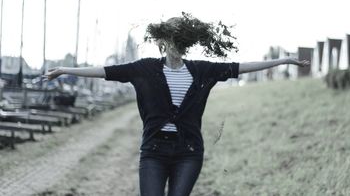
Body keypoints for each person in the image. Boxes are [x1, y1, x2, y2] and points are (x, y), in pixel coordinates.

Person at [44, 13, 309, 196]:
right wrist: (65, 70)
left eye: (181, 41)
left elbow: (242, 67)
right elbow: (104, 70)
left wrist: (282, 61)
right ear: (163, 41)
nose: (176, 46)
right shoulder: (143, 69)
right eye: (171, 40)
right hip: (154, 151)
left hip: (189, 152)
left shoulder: (202, 70)